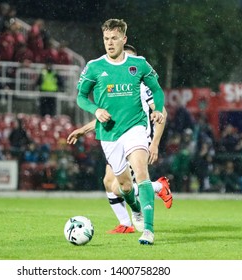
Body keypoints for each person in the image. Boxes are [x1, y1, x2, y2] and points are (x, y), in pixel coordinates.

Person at [76, 19, 166, 245]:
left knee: (141, 171)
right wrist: (95, 110)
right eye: (106, 38)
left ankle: (149, 230)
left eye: (114, 38)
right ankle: (135, 208)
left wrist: (158, 111)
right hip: (109, 134)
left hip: (135, 127)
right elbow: (80, 97)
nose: (109, 43)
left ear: (124, 39)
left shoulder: (139, 64)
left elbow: (157, 90)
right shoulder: (94, 67)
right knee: (124, 187)